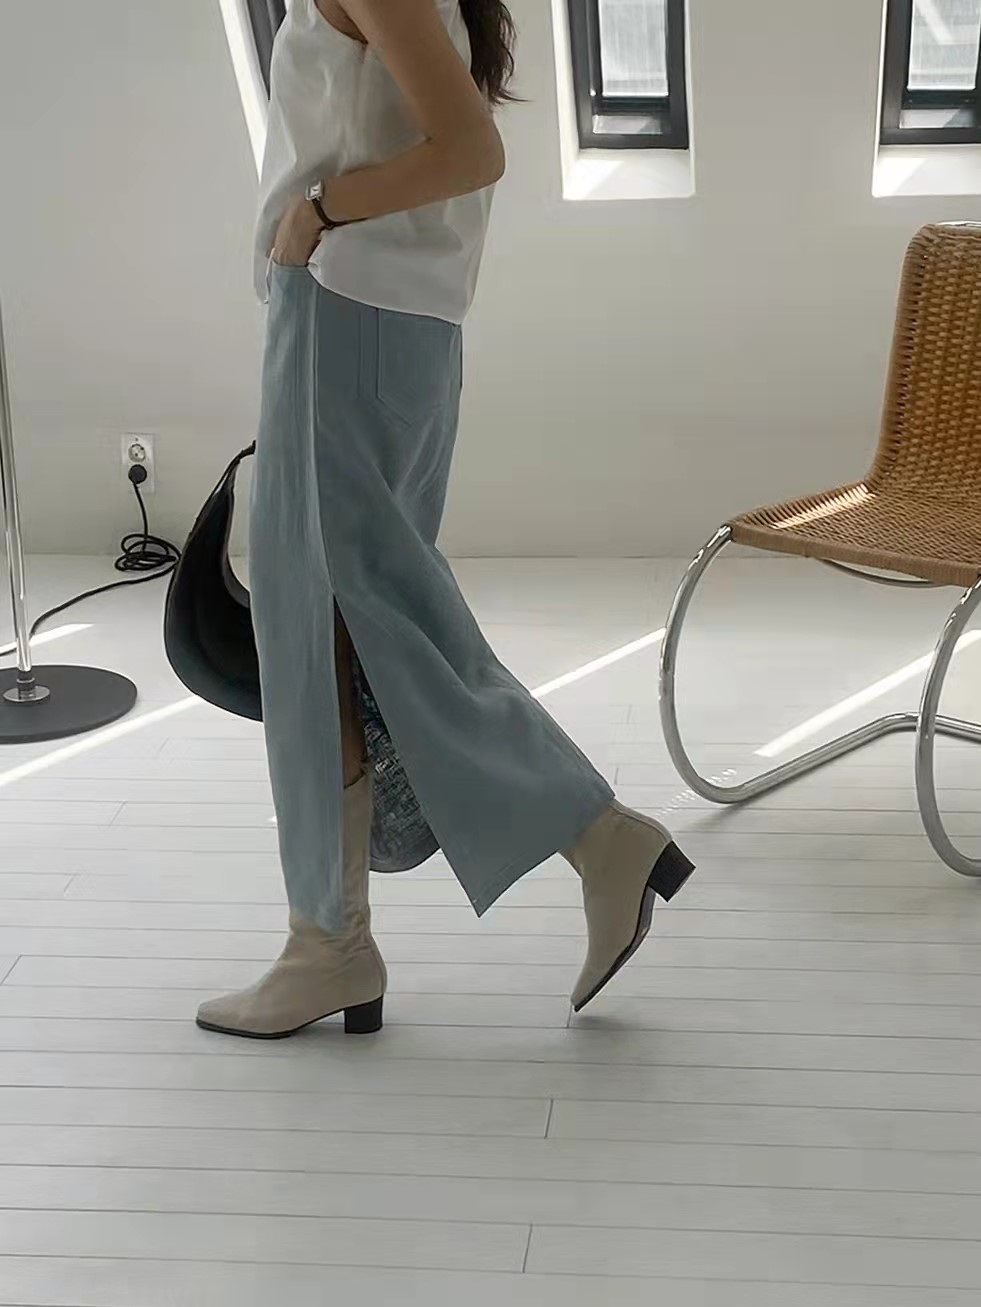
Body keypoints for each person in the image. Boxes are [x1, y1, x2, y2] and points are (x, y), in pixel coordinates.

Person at [196, 0, 693, 1040]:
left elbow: (470, 149)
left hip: (342, 309)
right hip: (392, 324)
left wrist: (317, 212)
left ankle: (338, 939)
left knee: (318, 620)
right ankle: (352, 931)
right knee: (366, 618)